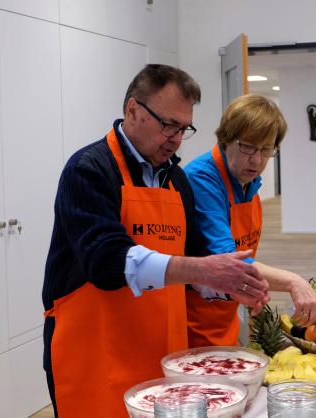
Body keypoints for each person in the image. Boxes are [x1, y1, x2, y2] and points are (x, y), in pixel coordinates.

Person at [41, 65, 269, 418]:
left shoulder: (176, 180)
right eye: (168, 125)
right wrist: (205, 269)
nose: (176, 139)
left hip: (163, 357)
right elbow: (106, 261)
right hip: (96, 356)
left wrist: (225, 288)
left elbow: (192, 267)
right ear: (132, 110)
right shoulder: (88, 170)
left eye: (184, 128)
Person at [183, 94, 316, 347]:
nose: (257, 160)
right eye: (248, 147)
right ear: (226, 140)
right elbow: (231, 261)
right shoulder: (202, 179)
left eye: (266, 150)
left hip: (224, 315)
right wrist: (293, 281)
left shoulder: (248, 184)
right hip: (190, 324)